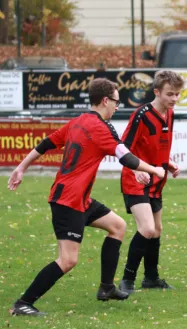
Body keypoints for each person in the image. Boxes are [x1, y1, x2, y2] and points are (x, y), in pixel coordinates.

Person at [8, 78, 166, 316]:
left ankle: (106, 288)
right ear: (105, 100)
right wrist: (153, 170)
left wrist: (21, 167)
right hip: (68, 201)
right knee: (68, 260)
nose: (117, 106)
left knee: (118, 226)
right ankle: (23, 303)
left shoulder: (78, 121)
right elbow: (125, 156)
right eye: (116, 101)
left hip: (79, 199)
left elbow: (44, 144)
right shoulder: (99, 127)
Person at [119, 71, 185, 294]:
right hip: (135, 179)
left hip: (156, 181)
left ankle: (151, 278)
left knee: (156, 230)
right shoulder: (141, 114)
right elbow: (123, 148)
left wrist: (168, 163)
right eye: (170, 94)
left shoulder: (170, 113)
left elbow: (158, 146)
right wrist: (134, 169)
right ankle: (127, 279)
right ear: (156, 92)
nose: (174, 98)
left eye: (177, 94)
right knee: (147, 228)